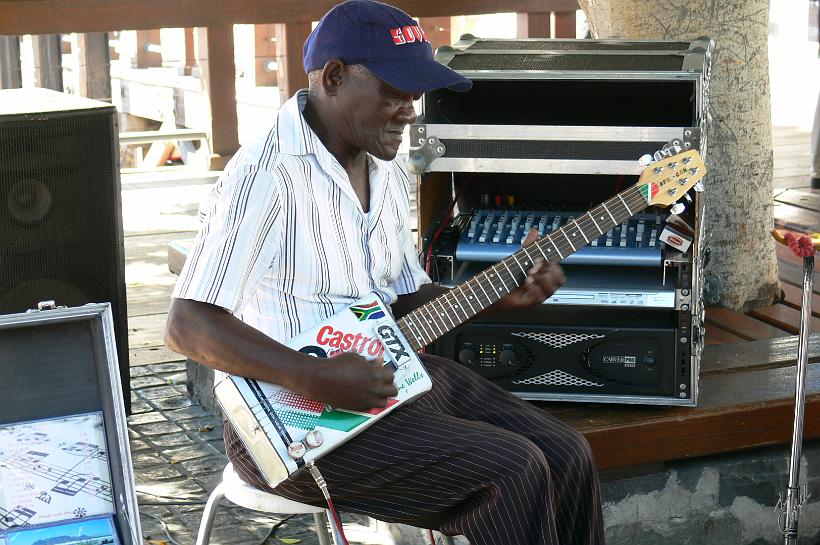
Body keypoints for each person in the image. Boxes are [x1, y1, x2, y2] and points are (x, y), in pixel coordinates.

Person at [165, 1, 604, 544]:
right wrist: (315, 376)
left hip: (386, 379)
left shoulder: (387, 165)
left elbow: (399, 304)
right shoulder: (265, 176)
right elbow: (186, 324)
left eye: (415, 95)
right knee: (513, 472)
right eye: (395, 91)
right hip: (289, 423)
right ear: (333, 77)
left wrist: (499, 296)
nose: (410, 111)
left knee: (568, 454)